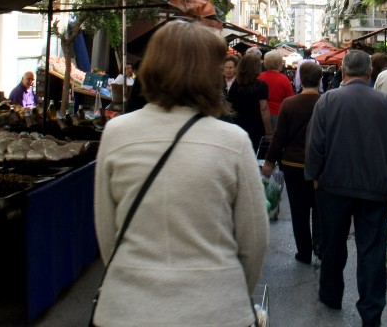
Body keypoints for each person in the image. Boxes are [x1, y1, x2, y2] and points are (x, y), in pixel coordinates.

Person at [93, 20, 267, 326]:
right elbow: (253, 242)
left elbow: (108, 235)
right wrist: (232, 293)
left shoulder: (116, 133)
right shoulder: (234, 141)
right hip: (216, 309)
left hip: (127, 309)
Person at [305, 50, 387, 327]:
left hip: (333, 187)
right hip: (374, 189)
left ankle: (330, 294)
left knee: (333, 245)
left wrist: (315, 175)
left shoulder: (327, 101)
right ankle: (371, 312)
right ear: (370, 73)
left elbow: (315, 145)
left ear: (343, 72)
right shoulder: (386, 103)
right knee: (371, 251)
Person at [262, 61, 323, 264]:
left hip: (293, 164)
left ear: (299, 79)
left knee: (299, 210)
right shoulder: (326, 102)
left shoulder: (289, 104)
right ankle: (319, 246)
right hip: (320, 166)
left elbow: (280, 136)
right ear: (320, 79)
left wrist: (269, 162)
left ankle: (304, 251)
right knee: (320, 209)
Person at [226, 53, 270, 152]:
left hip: (238, 125)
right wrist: (269, 131)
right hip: (256, 126)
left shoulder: (235, 84)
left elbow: (228, 106)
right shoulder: (261, 85)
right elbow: (264, 108)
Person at [259, 50, 295, 134]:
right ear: (278, 63)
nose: (282, 63)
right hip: (279, 113)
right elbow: (290, 99)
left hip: (261, 114)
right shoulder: (284, 79)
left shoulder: (259, 77)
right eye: (281, 62)